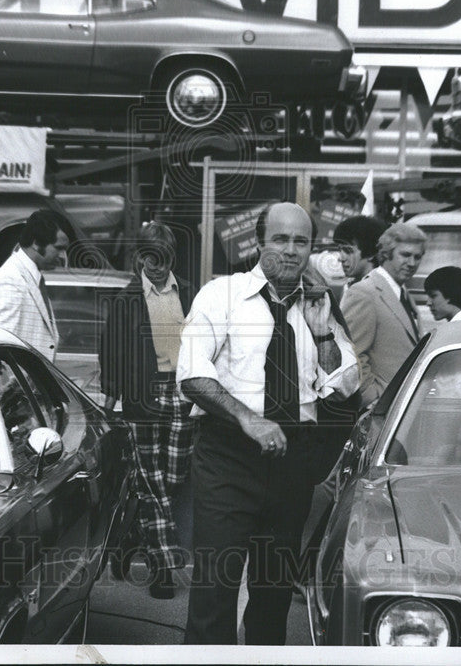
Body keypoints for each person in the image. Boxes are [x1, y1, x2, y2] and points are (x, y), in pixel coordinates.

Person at [177, 202, 359, 645]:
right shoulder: (221, 295)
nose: (291, 251)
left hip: (292, 463)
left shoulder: (320, 303)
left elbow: (346, 383)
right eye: (281, 239)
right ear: (259, 243)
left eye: (301, 241)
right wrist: (249, 420)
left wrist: (320, 333)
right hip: (228, 457)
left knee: (273, 594)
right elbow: (193, 376)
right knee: (214, 592)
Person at [99, 222, 195, 599]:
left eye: (164, 259)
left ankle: (127, 540)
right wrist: (109, 403)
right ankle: (162, 568)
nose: (157, 267)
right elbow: (112, 354)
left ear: (172, 258)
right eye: (150, 259)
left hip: (182, 395)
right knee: (152, 480)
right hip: (142, 397)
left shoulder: (188, 293)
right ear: (141, 257)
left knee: (170, 479)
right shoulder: (126, 300)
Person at [340, 221, 427, 411]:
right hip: (379, 409)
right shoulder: (364, 292)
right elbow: (351, 354)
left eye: (417, 257)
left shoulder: (402, 293)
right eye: (405, 255)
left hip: (401, 407)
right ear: (386, 254)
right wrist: (372, 397)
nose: (411, 263)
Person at [0, 210, 68, 361]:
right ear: (36, 244)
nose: (63, 257)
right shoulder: (9, 281)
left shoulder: (31, 277)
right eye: (58, 248)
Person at [333, 215, 387, 286]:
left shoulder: (378, 290)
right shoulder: (352, 284)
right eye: (339, 250)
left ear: (370, 253)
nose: (341, 258)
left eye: (348, 251)